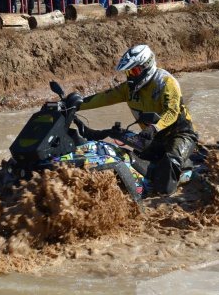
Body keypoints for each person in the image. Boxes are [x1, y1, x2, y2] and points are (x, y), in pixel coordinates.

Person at [79, 45, 198, 196]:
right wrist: (75, 105)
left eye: (134, 71)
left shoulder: (165, 82)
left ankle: (175, 180)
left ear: (146, 67)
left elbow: (172, 112)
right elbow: (104, 98)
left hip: (181, 134)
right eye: (128, 72)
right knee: (135, 160)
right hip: (155, 138)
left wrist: (154, 127)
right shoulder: (128, 89)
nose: (131, 76)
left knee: (167, 172)